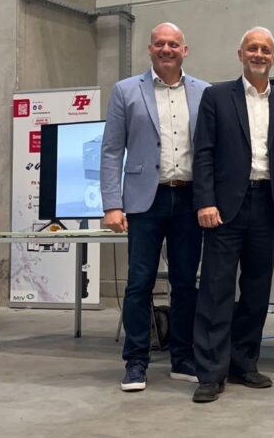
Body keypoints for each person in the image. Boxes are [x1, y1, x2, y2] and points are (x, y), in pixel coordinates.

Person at [191, 27, 274, 403]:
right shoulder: (216, 96)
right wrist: (204, 201)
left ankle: (243, 363)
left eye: (266, 50)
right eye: (252, 48)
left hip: (267, 207)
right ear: (240, 54)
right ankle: (211, 372)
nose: (259, 54)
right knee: (216, 290)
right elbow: (203, 153)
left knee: (256, 292)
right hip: (224, 209)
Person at [100, 22, 209, 392]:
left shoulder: (203, 92)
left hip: (190, 200)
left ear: (184, 50)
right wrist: (112, 204)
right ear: (149, 49)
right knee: (139, 283)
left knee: (185, 283)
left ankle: (183, 357)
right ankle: (135, 362)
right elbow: (111, 149)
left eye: (173, 44)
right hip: (144, 202)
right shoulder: (126, 90)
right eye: (160, 43)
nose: (166, 49)